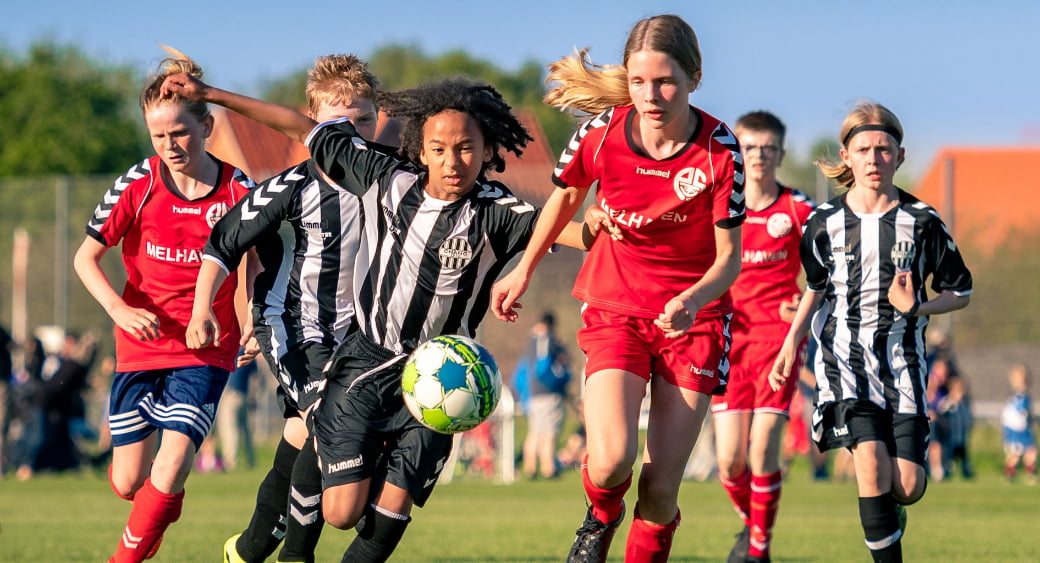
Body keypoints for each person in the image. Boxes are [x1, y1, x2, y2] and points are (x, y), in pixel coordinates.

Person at [161, 69, 588, 561]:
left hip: (440, 372)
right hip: (364, 360)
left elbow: (563, 230)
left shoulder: (497, 209)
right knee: (341, 511)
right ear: (420, 150)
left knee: (391, 507)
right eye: (439, 149)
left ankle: (310, 539)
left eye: (467, 148)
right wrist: (211, 94)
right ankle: (285, 540)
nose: (453, 162)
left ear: (488, 149)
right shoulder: (388, 178)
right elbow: (301, 128)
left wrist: (599, 226)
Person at [492, 14, 745, 562]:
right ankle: (600, 518)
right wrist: (523, 269)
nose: (650, 96)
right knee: (609, 463)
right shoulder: (602, 132)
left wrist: (693, 299)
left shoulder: (719, 150)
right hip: (616, 307)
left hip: (694, 321)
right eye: (638, 82)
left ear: (694, 78)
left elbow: (730, 260)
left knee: (658, 491)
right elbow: (561, 199)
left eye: (665, 82)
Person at [183, 54, 382, 563]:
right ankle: (298, 555)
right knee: (325, 423)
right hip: (293, 327)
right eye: (338, 124)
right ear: (312, 124)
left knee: (300, 434)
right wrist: (204, 307)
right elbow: (225, 242)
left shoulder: (389, 182)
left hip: (357, 338)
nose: (353, 134)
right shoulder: (292, 188)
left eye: (363, 120)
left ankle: (248, 550)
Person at [769, 102, 973, 563]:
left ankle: (891, 515)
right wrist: (791, 342)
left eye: (884, 149)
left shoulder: (923, 222)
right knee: (868, 463)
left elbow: (961, 291)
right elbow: (816, 287)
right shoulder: (823, 222)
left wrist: (918, 305)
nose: (874, 158)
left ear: (899, 156)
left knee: (907, 486)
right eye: (864, 149)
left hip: (905, 369)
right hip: (844, 366)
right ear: (847, 156)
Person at [72, 47, 254, 563]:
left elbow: (259, 263)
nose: (171, 145)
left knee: (170, 467)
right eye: (159, 135)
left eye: (180, 132)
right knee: (132, 482)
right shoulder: (139, 182)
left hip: (206, 346)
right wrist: (120, 311)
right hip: (141, 342)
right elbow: (86, 258)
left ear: (207, 125)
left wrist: (254, 317)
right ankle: (160, 499)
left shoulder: (239, 189)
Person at [709, 111, 814, 563]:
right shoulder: (717, 207)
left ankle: (759, 552)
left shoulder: (798, 208)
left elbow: (828, 268)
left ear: (780, 155)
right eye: (750, 147)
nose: (758, 157)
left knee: (762, 448)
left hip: (778, 343)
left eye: (768, 149)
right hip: (728, 344)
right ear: (737, 152)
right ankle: (755, 526)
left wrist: (803, 310)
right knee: (730, 460)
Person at [513, 311, 571, 479]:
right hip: (548, 392)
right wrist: (562, 380)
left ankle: (530, 468)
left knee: (534, 432)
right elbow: (550, 366)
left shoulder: (531, 341)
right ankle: (548, 468)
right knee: (550, 432)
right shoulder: (548, 340)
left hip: (531, 393)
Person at [1001, 364, 1037, 484]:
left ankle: (1030, 474)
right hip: (1016, 430)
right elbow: (1012, 414)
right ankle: (1010, 474)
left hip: (1025, 429)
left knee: (1031, 451)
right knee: (1015, 453)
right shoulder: (1014, 398)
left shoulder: (1025, 396)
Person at [935, 374, 973, 479]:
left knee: (964, 456)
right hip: (951, 435)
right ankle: (946, 472)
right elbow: (941, 412)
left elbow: (968, 418)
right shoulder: (948, 403)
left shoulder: (965, 403)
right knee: (948, 456)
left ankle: (967, 472)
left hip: (962, 435)